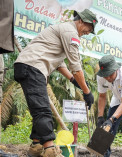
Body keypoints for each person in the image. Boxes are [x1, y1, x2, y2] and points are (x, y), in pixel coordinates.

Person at [14, 9, 97, 157]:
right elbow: (76, 67)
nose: (88, 32)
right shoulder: (70, 32)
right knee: (42, 110)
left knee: (40, 108)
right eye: (89, 29)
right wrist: (87, 92)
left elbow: (60, 64)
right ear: (82, 21)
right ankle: (50, 150)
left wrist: (73, 80)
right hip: (33, 66)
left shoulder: (63, 30)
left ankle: (37, 146)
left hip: (29, 66)